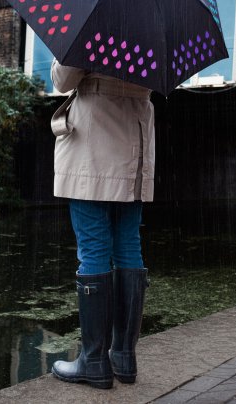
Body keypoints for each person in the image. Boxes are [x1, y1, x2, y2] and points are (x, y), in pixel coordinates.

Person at [50, 59, 155, 390]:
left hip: (93, 134)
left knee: (93, 246)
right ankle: (123, 356)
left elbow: (63, 80)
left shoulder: (94, 21)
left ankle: (93, 361)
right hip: (137, 131)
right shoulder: (154, 23)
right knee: (127, 243)